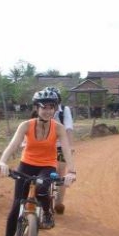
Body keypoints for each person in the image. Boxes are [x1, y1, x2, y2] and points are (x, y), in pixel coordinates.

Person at [0, 89, 77, 236]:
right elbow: (13, 145)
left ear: (55, 108)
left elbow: (67, 150)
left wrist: (71, 171)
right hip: (26, 165)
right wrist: (3, 161)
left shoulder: (59, 128)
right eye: (43, 107)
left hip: (47, 166)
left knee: (41, 187)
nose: (47, 111)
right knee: (17, 205)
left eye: (51, 107)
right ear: (37, 108)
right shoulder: (26, 125)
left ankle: (47, 213)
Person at [45, 86, 74, 215]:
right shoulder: (43, 110)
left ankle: (59, 202)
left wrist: (70, 145)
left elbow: (68, 127)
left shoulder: (64, 111)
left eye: (54, 101)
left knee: (60, 170)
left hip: (61, 144)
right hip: (45, 145)